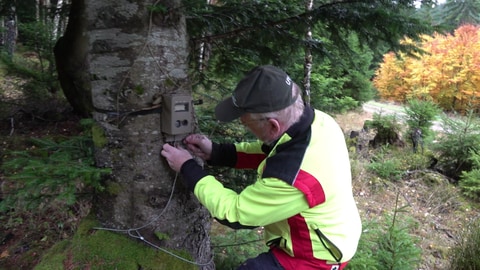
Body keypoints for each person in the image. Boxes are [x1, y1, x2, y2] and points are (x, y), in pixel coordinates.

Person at [161, 65, 362, 270]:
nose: (242, 123)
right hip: (335, 233)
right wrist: (217, 152)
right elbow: (274, 151)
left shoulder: (294, 179)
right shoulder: (319, 122)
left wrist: (187, 167)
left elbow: (235, 214)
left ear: (274, 126)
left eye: (246, 122)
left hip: (314, 257)